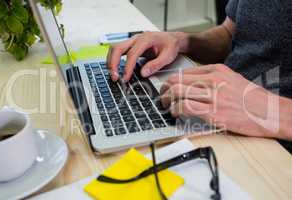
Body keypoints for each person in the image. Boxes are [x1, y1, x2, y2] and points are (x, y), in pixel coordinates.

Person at [107, 0, 292, 151]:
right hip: (217, 112)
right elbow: (229, 34)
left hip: (275, 147)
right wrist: (181, 41)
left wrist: (269, 110)